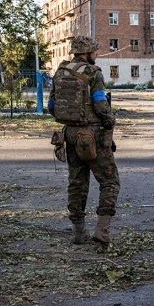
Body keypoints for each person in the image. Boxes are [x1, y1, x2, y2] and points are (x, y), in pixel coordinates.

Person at [48, 36, 119, 246]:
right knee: (110, 181)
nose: (97, 54)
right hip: (93, 136)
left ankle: (79, 233)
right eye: (95, 51)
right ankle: (102, 232)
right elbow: (99, 102)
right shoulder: (93, 72)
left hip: (70, 135)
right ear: (87, 53)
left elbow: (52, 106)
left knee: (77, 184)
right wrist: (110, 119)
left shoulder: (60, 72)